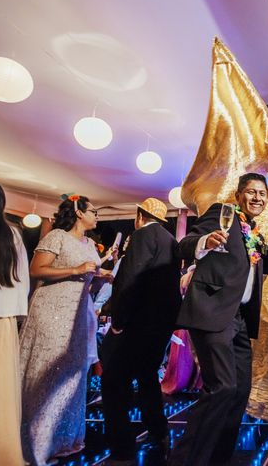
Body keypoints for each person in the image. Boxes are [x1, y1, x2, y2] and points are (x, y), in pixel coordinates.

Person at [168, 173, 268, 466]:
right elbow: (185, 245)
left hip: (240, 319)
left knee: (239, 391)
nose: (258, 197)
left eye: (262, 193)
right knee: (221, 386)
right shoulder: (222, 215)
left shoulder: (254, 233)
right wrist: (205, 242)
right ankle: (185, 461)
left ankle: (217, 459)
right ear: (238, 196)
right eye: (251, 192)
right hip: (212, 310)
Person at [20, 194, 105, 465]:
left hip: (78, 313)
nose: (96, 216)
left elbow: (87, 272)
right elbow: (37, 270)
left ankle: (64, 438)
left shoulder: (90, 243)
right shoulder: (56, 236)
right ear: (79, 212)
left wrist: (101, 275)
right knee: (47, 372)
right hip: (50, 310)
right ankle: (36, 441)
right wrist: (75, 269)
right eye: (93, 211)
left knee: (73, 375)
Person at [101, 198, 181, 464]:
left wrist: (118, 321)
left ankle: (122, 449)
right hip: (160, 327)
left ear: (139, 216)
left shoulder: (142, 235)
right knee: (147, 378)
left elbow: (129, 279)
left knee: (113, 383)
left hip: (137, 325)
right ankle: (158, 432)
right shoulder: (170, 241)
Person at [0, 182, 29, 466]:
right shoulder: (11, 235)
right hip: (2, 318)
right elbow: (21, 281)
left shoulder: (11, 234)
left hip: (2, 315)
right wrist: (17, 315)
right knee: (1, 392)